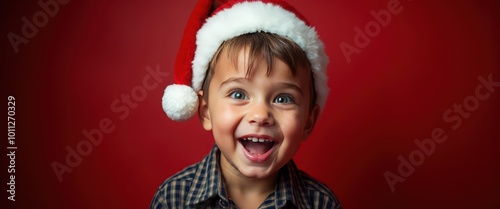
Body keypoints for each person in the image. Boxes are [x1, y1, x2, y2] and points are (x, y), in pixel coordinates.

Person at [152, 0, 341, 208]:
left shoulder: (321, 203)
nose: (260, 115)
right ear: (205, 111)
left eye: (282, 99)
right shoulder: (172, 198)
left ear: (308, 122)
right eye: (238, 94)